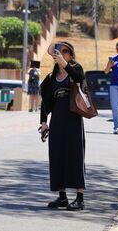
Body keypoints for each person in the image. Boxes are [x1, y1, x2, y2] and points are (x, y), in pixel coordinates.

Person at [40, 41, 86, 211]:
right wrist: (44, 122)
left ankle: (80, 198)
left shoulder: (76, 70)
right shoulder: (52, 78)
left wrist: (65, 64)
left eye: (65, 51)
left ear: (71, 55)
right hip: (57, 120)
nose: (61, 53)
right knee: (57, 156)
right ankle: (62, 197)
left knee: (75, 155)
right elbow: (46, 102)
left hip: (73, 119)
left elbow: (80, 79)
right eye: (59, 51)